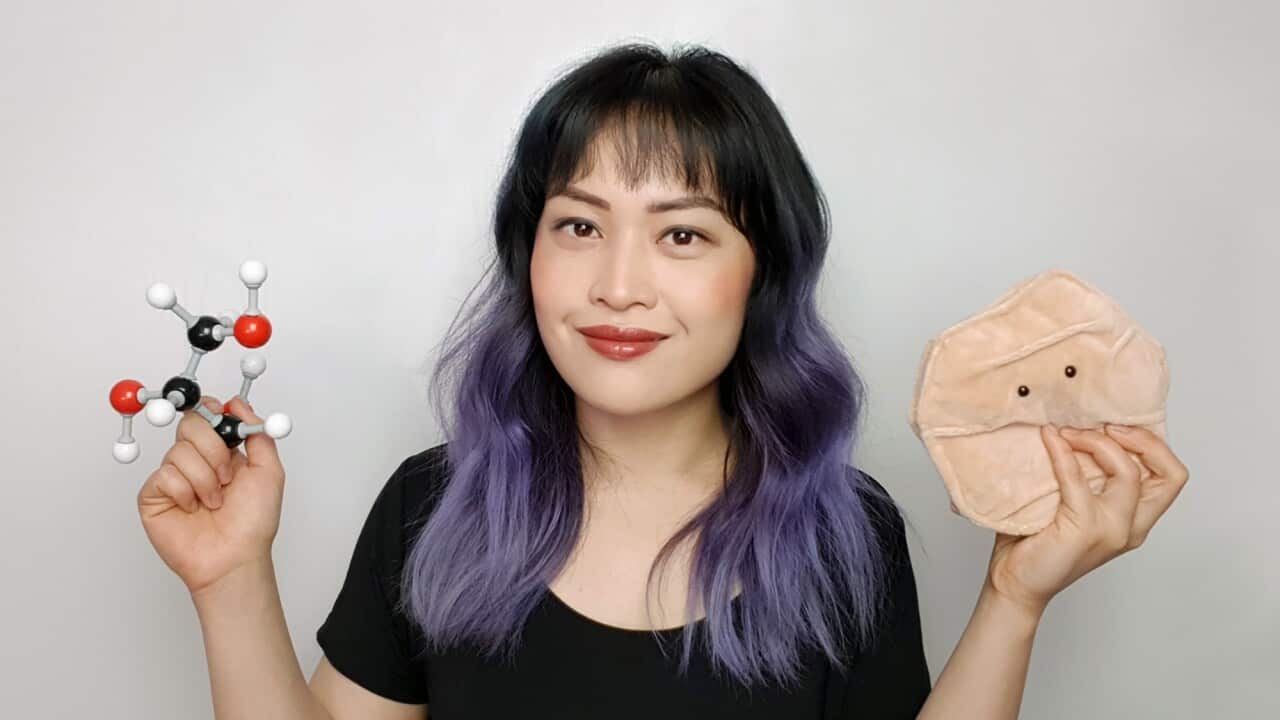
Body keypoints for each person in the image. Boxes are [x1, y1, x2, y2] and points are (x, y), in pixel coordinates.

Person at [135, 42, 1190, 719]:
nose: (618, 285)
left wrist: (1012, 598)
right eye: (579, 226)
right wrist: (229, 581)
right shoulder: (432, 506)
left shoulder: (843, 533)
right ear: (529, 258)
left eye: (681, 233)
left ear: (760, 273)